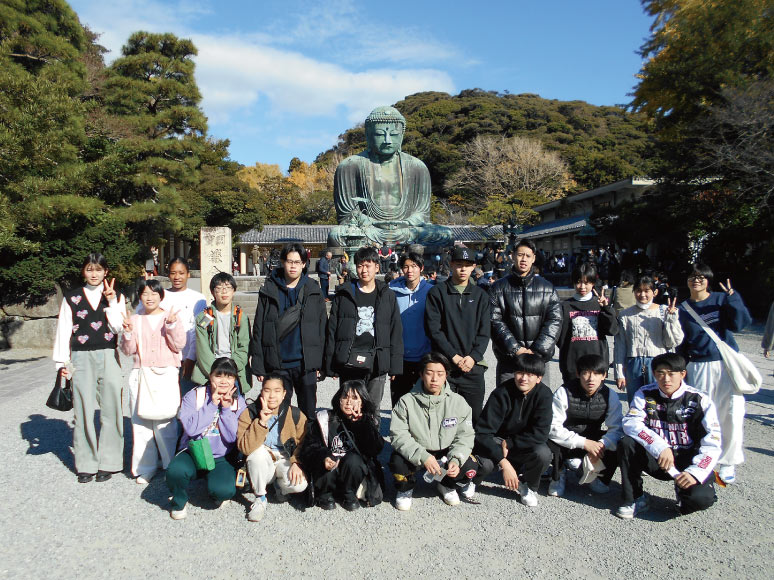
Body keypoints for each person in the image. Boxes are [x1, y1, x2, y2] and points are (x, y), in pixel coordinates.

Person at [327, 106, 452, 248]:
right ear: (368, 135)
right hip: (370, 230)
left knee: (445, 234)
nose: (387, 140)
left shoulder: (418, 167)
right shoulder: (349, 166)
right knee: (337, 235)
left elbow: (422, 214)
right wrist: (372, 222)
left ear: (402, 135)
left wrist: (406, 223)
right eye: (380, 135)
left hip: (406, 230)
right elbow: (347, 215)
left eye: (393, 134)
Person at [615, 353, 721, 519]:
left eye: (671, 374)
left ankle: (684, 492)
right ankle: (635, 498)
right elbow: (630, 423)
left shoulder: (700, 400)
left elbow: (713, 442)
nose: (666, 379)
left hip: (688, 461)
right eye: (660, 373)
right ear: (654, 374)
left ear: (683, 374)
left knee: (700, 500)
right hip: (659, 458)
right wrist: (660, 447)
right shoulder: (644, 393)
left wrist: (696, 472)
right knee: (626, 443)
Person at [53, 253, 126, 483]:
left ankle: (110, 461)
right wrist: (62, 364)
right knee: (82, 408)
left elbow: (117, 328)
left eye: (98, 269)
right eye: (89, 269)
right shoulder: (71, 297)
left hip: (108, 353)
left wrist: (112, 302)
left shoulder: (116, 296)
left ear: (106, 272)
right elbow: (64, 330)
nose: (94, 274)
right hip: (80, 356)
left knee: (111, 406)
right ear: (83, 272)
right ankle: (86, 463)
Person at [677, 263, 752, 484]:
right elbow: (680, 341)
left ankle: (728, 461)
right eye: (692, 276)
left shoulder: (721, 300)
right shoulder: (682, 308)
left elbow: (741, 324)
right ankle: (703, 457)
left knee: (731, 412)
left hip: (724, 364)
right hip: (698, 365)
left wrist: (733, 297)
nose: (696, 280)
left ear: (708, 280)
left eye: (701, 277)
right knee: (701, 415)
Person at [389, 352, 478, 510]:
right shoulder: (406, 401)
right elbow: (398, 435)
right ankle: (406, 488)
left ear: (446, 376)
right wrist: (423, 456)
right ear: (421, 375)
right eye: (429, 373)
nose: (434, 379)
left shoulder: (458, 402)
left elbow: (465, 436)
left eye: (440, 374)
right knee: (397, 462)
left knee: (469, 465)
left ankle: (446, 485)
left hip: (445, 453)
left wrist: (456, 459)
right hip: (418, 451)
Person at [249, 242, 326, 420]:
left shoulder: (313, 290)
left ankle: (307, 445)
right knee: (279, 413)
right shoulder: (269, 289)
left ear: (304, 264)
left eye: (297, 262)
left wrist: (320, 364)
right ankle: (282, 446)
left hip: (305, 363)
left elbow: (322, 329)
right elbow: (259, 327)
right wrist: (259, 366)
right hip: (278, 363)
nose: (293, 266)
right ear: (282, 262)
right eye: (289, 261)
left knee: (308, 412)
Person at [121, 279, 186, 484]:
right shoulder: (135, 319)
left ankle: (170, 464)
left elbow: (179, 345)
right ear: (140, 296)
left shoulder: (170, 316)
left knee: (165, 421)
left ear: (161, 296)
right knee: (141, 423)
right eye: (145, 293)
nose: (149, 298)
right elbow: (128, 350)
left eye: (154, 293)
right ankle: (145, 467)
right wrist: (128, 332)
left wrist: (172, 326)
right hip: (141, 372)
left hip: (165, 373)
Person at [166, 357, 246, 520]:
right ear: (210, 376)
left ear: (235, 380)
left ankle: (214, 487)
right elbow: (191, 430)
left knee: (224, 491)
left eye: (229, 377)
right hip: (193, 451)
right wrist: (211, 405)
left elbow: (232, 438)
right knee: (176, 471)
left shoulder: (239, 402)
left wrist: (225, 409)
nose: (224, 381)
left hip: (220, 457)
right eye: (219, 375)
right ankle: (179, 501)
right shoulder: (194, 396)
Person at [324, 246, 403, 409]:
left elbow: (395, 330)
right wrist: (331, 365)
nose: (364, 270)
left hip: (377, 360)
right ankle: (349, 435)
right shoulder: (344, 294)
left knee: (373, 410)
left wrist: (394, 366)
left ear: (377, 267)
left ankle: (370, 435)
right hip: (349, 360)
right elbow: (332, 330)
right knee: (349, 407)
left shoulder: (387, 295)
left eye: (368, 265)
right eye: (360, 265)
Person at [474, 354, 553, 508]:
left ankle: (528, 485)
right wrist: (504, 463)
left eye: (530, 374)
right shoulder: (501, 393)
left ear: (539, 378)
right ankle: (471, 481)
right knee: (484, 460)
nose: (523, 378)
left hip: (521, 443)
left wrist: (510, 443)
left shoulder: (544, 395)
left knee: (543, 453)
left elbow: (541, 433)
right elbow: (482, 432)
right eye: (520, 373)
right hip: (499, 441)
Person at [424, 246, 491, 425]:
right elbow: (434, 330)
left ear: (473, 267)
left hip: (472, 366)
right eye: (459, 264)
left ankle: (470, 451)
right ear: (451, 265)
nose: (463, 269)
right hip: (445, 366)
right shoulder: (437, 293)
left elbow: (484, 332)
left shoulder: (481, 296)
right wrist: (453, 356)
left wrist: (473, 357)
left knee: (473, 416)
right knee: (443, 417)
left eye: (467, 265)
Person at [299, 380, 385, 511]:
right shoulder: (324, 418)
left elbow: (375, 450)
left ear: (362, 402)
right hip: (328, 472)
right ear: (338, 399)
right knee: (326, 459)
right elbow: (310, 446)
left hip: (352, 473)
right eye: (345, 396)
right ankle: (325, 494)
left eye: (355, 398)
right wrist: (324, 457)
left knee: (354, 460)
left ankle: (349, 494)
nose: (349, 401)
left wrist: (362, 425)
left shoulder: (367, 420)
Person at [548, 354, 623, 497]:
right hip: (567, 438)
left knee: (621, 442)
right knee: (549, 440)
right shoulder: (564, 392)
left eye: (596, 373)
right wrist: (583, 443)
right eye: (586, 373)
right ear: (578, 374)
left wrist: (601, 445)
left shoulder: (610, 395)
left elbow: (616, 427)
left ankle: (599, 477)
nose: (591, 378)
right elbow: (553, 426)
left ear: (604, 375)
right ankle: (558, 474)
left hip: (593, 436)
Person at [490, 238, 562, 386]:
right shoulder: (498, 288)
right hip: (509, 360)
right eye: (520, 254)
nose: (524, 259)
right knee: (507, 404)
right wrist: (516, 349)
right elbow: (494, 321)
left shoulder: (547, 288)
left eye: (528, 256)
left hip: (538, 360)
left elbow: (554, 321)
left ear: (534, 258)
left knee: (538, 404)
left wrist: (537, 351)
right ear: (513, 256)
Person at [236, 375, 308, 522]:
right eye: (267, 390)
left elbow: (305, 441)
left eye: (277, 391)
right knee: (256, 453)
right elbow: (245, 448)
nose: (272, 396)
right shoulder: (249, 413)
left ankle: (279, 487)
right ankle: (260, 498)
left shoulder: (294, 414)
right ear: (261, 392)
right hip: (263, 458)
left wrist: (296, 462)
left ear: (284, 394)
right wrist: (261, 422)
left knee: (300, 484)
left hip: (285, 457)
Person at [137, 257, 206, 395]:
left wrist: (191, 359)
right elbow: (142, 316)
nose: (177, 277)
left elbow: (198, 330)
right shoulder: (160, 295)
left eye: (181, 273)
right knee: (165, 399)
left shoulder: (199, 299)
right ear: (168, 274)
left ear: (188, 274)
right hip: (163, 358)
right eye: (173, 273)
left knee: (187, 398)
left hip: (188, 358)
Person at [614, 274, 683, 403]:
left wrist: (671, 320)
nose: (642, 294)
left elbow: (673, 342)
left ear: (654, 292)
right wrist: (619, 373)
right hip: (633, 364)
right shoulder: (625, 315)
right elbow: (620, 345)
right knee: (635, 403)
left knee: (659, 403)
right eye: (639, 290)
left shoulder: (664, 311)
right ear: (633, 292)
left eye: (647, 291)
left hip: (658, 362)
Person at [557, 263, 618, 384]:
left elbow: (613, 330)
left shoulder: (599, 305)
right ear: (574, 282)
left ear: (593, 283)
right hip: (572, 365)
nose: (582, 286)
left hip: (596, 364)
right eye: (579, 282)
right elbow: (560, 338)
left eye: (587, 282)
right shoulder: (565, 306)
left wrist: (606, 309)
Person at [192, 272, 250, 393]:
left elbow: (244, 348)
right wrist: (215, 373)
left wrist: (231, 371)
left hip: (234, 372)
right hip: (209, 373)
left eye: (228, 288)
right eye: (219, 288)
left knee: (235, 409)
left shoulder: (241, 317)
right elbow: (202, 349)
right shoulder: (204, 317)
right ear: (213, 292)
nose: (224, 292)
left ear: (234, 291)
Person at [389, 252, 433, 406]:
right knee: (399, 402)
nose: (410, 270)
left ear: (421, 268)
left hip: (424, 356)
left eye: (414, 266)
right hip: (400, 357)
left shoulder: (431, 291)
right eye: (406, 266)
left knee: (423, 402)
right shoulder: (391, 292)